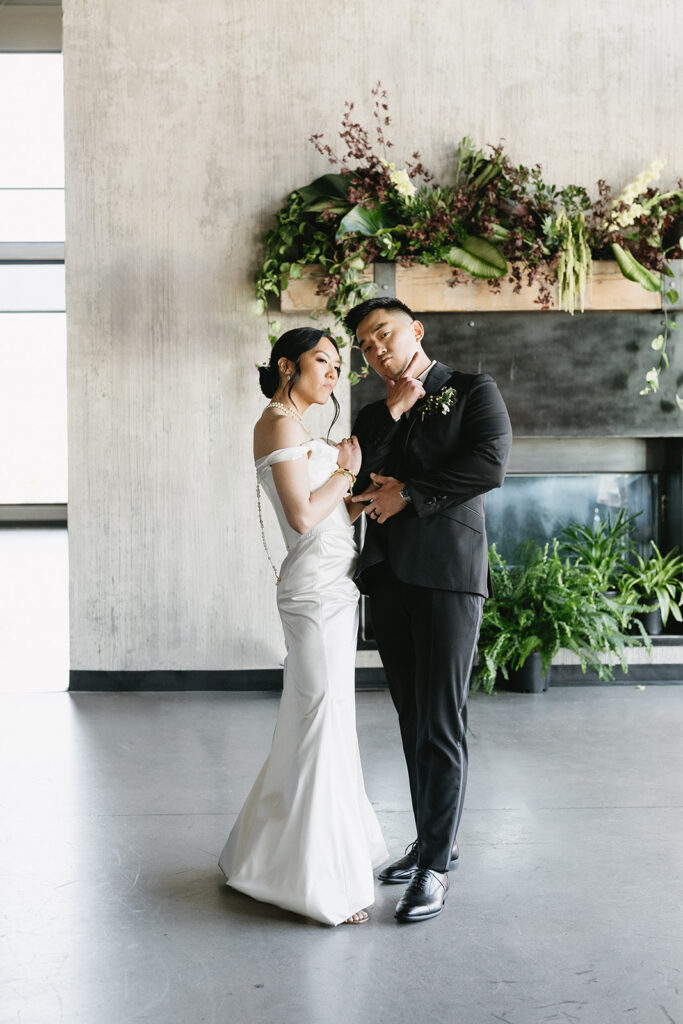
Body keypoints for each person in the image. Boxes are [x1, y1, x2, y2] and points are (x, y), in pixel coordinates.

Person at [344, 297, 512, 923]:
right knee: (413, 719)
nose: (377, 348)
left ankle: (436, 868)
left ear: (415, 330)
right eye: (364, 344)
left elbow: (489, 463)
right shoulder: (373, 411)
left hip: (447, 576)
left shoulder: (472, 389)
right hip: (388, 578)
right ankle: (431, 841)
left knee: (442, 719)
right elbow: (358, 480)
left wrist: (410, 492)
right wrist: (387, 429)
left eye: (384, 333)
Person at [218, 326, 388, 926]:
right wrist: (344, 470)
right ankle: (316, 881)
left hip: (333, 587)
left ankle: (272, 855)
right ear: (288, 366)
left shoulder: (300, 428)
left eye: (340, 365)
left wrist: (361, 490)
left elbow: (328, 516)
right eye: (324, 361)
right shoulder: (277, 423)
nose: (335, 372)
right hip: (314, 593)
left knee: (320, 716)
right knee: (319, 717)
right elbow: (300, 514)